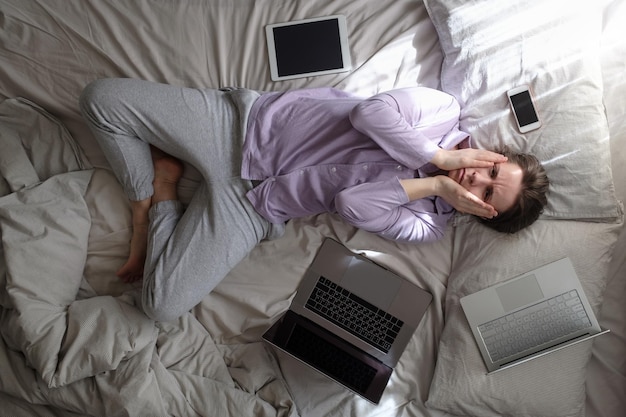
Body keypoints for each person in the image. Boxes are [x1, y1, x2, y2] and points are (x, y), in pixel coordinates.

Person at [79, 79, 548, 322]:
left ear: (483, 211)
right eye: (491, 169)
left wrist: (436, 187)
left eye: (486, 192)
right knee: (101, 98)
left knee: (159, 306)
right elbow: (370, 113)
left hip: (255, 206)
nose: (474, 176)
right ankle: (142, 206)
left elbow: (351, 206)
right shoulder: (442, 111)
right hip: (242, 128)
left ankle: (165, 192)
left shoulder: (428, 223)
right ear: (497, 154)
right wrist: (437, 154)